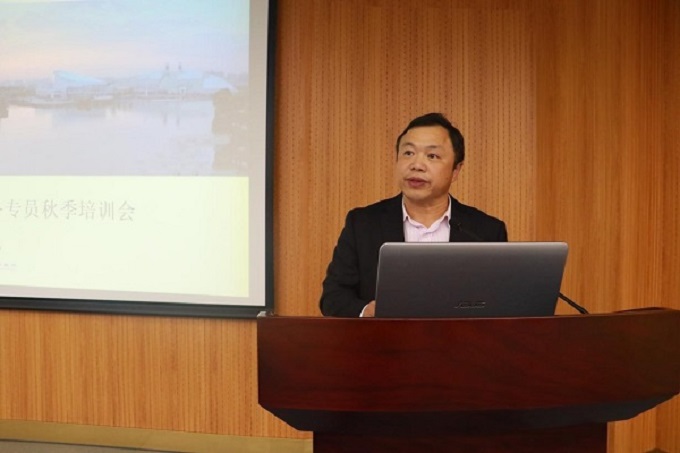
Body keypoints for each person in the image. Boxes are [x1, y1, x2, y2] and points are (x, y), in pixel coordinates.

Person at [319, 112, 507, 317]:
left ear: (456, 170)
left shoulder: (486, 231)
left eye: (432, 156)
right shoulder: (363, 224)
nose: (416, 165)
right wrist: (367, 312)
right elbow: (333, 297)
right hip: (383, 337)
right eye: (408, 153)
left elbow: (500, 304)